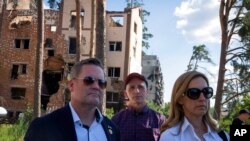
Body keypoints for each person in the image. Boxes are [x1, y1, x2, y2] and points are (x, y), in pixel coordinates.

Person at [24, 58, 120, 141]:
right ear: (71, 85)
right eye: (89, 80)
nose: (96, 86)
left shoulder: (112, 130)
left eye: (101, 83)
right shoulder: (43, 127)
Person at [159, 71, 229, 141]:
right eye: (194, 93)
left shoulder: (222, 136)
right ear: (180, 99)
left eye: (206, 92)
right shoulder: (169, 137)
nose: (202, 98)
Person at [111, 72, 166, 141]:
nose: (136, 91)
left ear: (147, 92)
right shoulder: (116, 120)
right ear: (126, 93)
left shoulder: (160, 120)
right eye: (132, 87)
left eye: (140, 87)